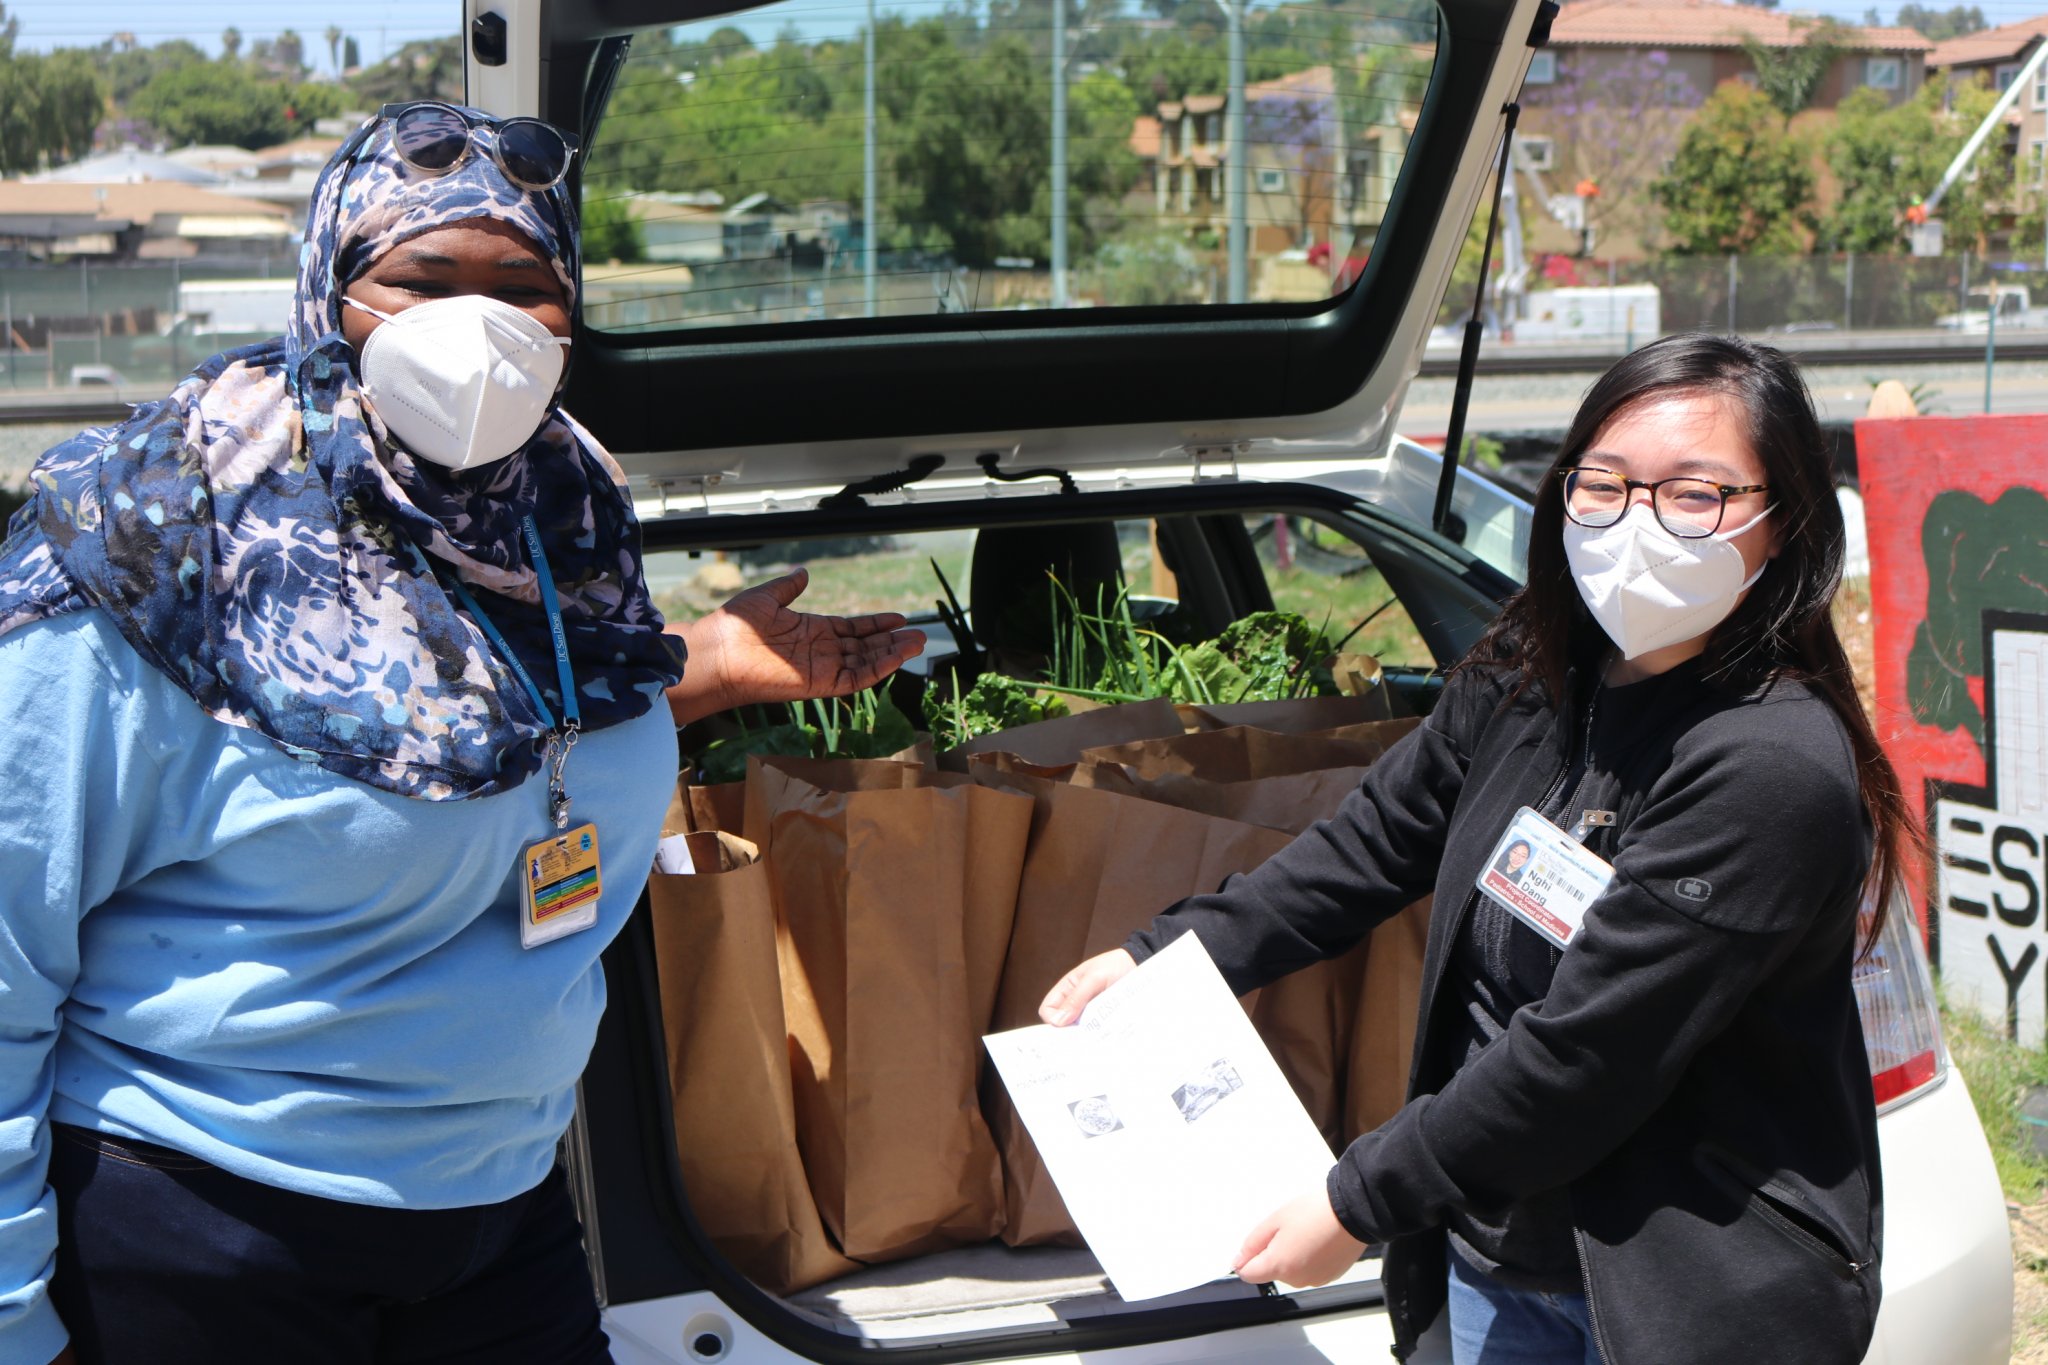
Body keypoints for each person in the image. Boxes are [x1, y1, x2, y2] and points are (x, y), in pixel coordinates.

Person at [0, 104, 920, 1365]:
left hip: (502, 1207)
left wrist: (686, 673)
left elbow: (472, 742)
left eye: (525, 288)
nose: (477, 329)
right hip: (198, 1229)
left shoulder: (555, 515)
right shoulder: (159, 551)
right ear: (332, 290)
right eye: (423, 281)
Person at [1040, 333, 1912, 1365]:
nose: (1635, 526)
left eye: (1694, 495)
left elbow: (1580, 1056)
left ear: (1783, 523)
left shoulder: (1765, 768)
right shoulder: (1531, 670)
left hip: (1679, 1292)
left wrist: (1353, 1203)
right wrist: (1169, 955)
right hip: (1500, 1249)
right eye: (1604, 485)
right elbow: (1370, 844)